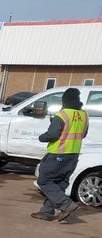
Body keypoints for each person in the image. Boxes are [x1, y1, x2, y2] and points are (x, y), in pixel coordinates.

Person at [31, 87, 89, 222]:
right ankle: (46, 212)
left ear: (65, 100)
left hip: (57, 154)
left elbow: (52, 134)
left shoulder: (62, 115)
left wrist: (42, 137)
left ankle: (66, 204)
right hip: (73, 155)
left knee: (44, 181)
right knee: (59, 183)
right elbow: (83, 134)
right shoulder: (84, 115)